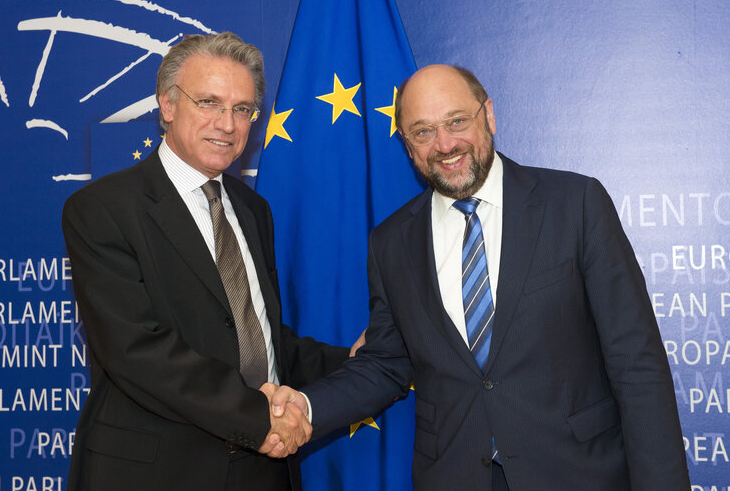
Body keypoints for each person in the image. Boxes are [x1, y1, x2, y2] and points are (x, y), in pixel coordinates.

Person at [270, 64, 691, 490]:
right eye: (423, 131)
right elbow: (386, 363)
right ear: (407, 145)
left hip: (576, 473)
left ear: (488, 115)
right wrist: (306, 406)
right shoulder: (390, 242)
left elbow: (636, 362)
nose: (445, 144)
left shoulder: (575, 205)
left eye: (457, 121)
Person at [62, 32, 350, 491]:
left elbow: (257, 341)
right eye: (209, 102)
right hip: (158, 471)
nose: (227, 123)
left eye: (242, 109)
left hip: (264, 470)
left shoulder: (253, 210)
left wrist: (352, 362)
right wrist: (262, 418)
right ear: (168, 105)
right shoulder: (102, 208)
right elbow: (137, 350)